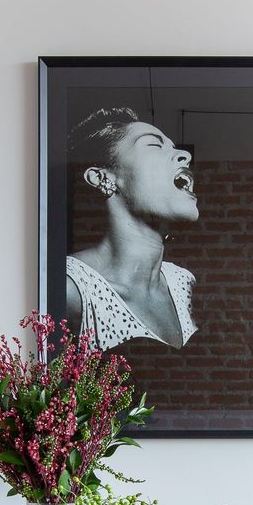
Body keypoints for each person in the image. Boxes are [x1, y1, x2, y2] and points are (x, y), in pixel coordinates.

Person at [66, 107, 199, 350]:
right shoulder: (71, 289)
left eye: (174, 146)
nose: (184, 155)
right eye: (155, 146)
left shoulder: (185, 284)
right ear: (102, 177)